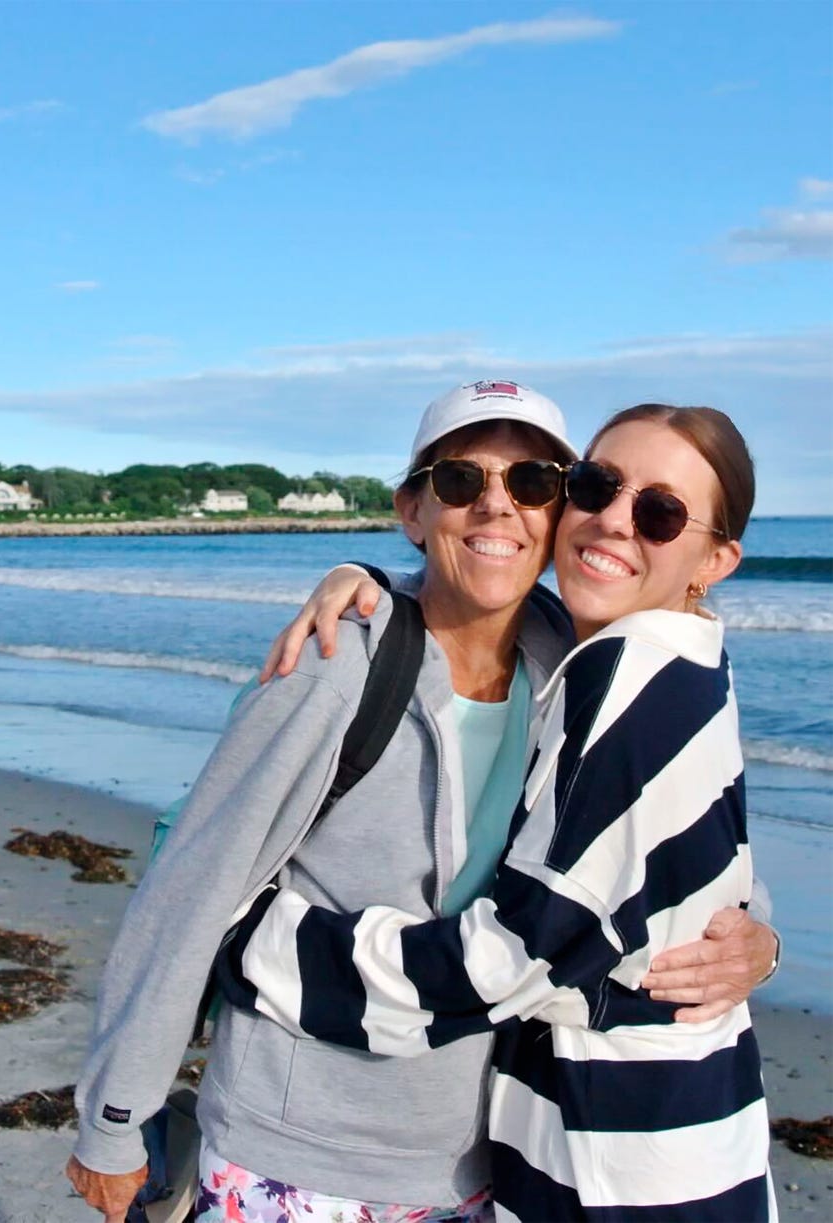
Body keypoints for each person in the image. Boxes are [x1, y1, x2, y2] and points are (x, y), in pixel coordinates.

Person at [66, 383, 776, 1223]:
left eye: (537, 484)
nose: (497, 507)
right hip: (305, 1155)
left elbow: (669, 834)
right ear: (412, 509)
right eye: (460, 482)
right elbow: (190, 885)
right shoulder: (336, 667)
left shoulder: (577, 670)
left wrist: (753, 935)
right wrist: (114, 1117)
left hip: (485, 1159)